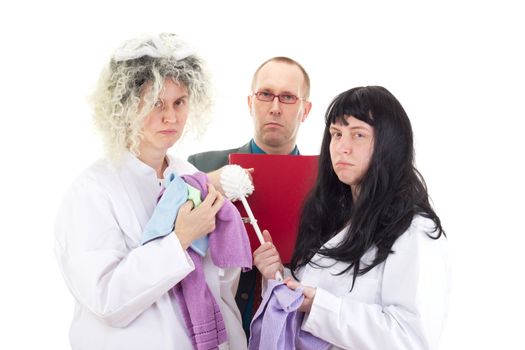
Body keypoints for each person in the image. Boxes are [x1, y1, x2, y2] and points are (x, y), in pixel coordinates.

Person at [54, 33, 248, 350]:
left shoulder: (191, 177)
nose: (170, 117)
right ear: (126, 105)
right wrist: (179, 239)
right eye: (156, 103)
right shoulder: (93, 191)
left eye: (179, 102)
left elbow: (218, 289)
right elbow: (107, 301)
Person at [253, 86, 450, 349]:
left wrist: (320, 307)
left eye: (358, 134)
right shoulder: (334, 217)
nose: (342, 148)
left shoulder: (415, 231)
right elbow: (321, 291)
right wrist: (278, 274)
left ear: (389, 144)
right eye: (336, 134)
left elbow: (410, 338)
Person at [188, 56, 313, 336]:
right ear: (250, 103)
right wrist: (207, 184)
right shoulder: (201, 167)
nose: (275, 108)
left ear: (305, 110)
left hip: (289, 331)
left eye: (288, 97)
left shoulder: (325, 185)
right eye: (266, 94)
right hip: (213, 327)